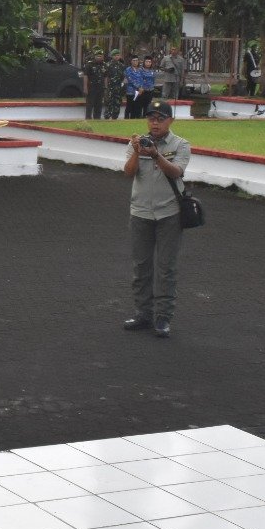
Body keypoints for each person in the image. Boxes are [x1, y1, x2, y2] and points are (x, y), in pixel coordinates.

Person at [121, 99, 191, 339]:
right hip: (140, 213)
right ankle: (143, 314)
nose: (155, 123)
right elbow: (128, 172)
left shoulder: (181, 144)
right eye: (151, 118)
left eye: (160, 119)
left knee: (166, 268)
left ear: (170, 121)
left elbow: (176, 171)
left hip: (169, 213)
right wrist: (137, 152)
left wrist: (156, 155)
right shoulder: (137, 143)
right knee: (141, 267)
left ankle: (163, 317)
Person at [81, 48, 107, 119]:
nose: (99, 57)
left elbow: (105, 77)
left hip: (100, 88)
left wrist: (105, 87)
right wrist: (85, 87)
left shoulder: (104, 65)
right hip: (91, 88)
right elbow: (85, 76)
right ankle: (88, 119)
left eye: (100, 56)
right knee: (89, 105)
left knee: (99, 105)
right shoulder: (89, 64)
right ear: (94, 56)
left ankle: (97, 120)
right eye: (98, 56)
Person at [103, 50, 127, 119]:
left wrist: (123, 86)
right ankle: (107, 118)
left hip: (118, 88)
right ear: (112, 56)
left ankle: (115, 118)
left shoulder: (122, 66)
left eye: (118, 55)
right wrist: (106, 88)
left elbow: (123, 77)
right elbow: (105, 77)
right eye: (115, 55)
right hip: (110, 88)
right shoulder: (107, 65)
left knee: (117, 104)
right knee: (108, 103)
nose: (116, 57)